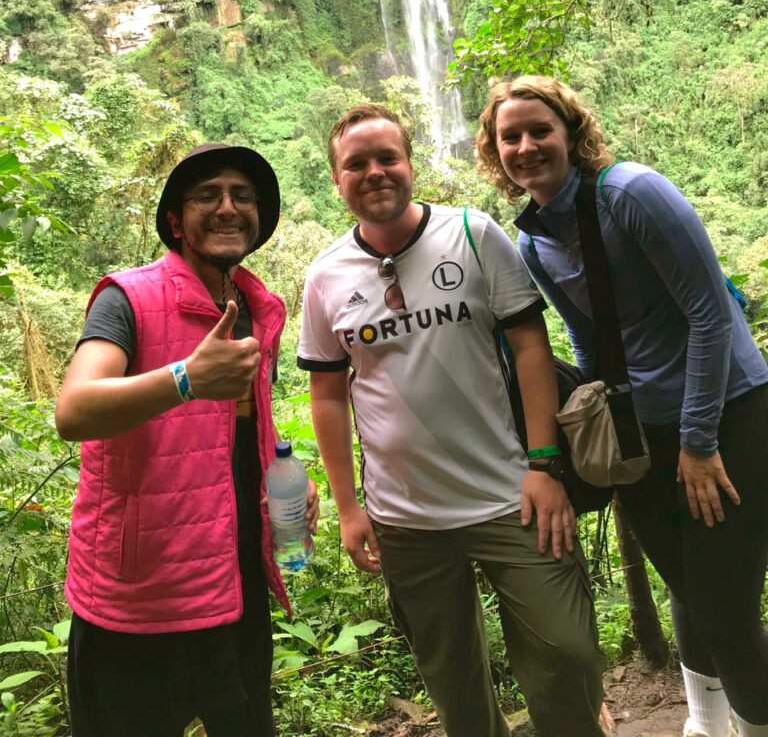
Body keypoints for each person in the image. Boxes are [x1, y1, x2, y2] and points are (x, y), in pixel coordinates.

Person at [297, 104, 606, 737]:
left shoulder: (473, 233)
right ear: (336, 180)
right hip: (405, 517)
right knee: (451, 679)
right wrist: (348, 507)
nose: (375, 172)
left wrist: (545, 464)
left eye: (388, 157)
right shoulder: (325, 276)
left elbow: (531, 347)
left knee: (568, 650)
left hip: (511, 493)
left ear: (410, 164)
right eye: (357, 164)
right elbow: (327, 394)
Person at [476, 76, 768, 737]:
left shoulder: (631, 193)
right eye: (510, 137)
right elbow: (587, 340)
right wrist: (597, 431)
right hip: (644, 430)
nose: (526, 146)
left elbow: (709, 315)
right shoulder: (533, 242)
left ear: (571, 133)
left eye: (540, 130)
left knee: (725, 611)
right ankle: (705, 724)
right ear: (495, 153)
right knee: (688, 588)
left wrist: (698, 442)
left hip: (727, 414)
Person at [56, 143, 319, 737]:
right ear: (176, 221)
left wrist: (281, 475)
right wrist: (185, 379)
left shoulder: (254, 308)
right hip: (137, 599)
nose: (228, 207)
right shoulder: (127, 297)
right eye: (208, 195)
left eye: (242, 196)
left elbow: (235, 426)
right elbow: (73, 410)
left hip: (234, 585)